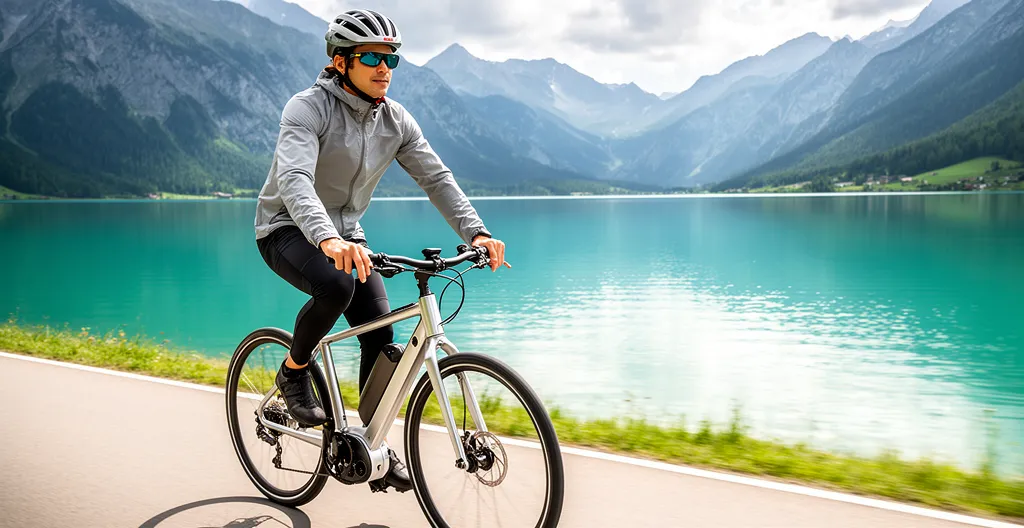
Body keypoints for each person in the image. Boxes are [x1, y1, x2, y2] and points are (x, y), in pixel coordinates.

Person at [252, 9, 509, 492]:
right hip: (286, 227)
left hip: (348, 236)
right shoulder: (306, 108)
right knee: (336, 284)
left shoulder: (396, 119)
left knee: (381, 334)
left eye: (392, 58)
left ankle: (370, 444)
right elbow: (294, 181)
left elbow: (436, 178)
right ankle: (294, 371)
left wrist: (476, 232)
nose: (384, 67)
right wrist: (327, 239)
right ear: (341, 62)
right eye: (371, 56)